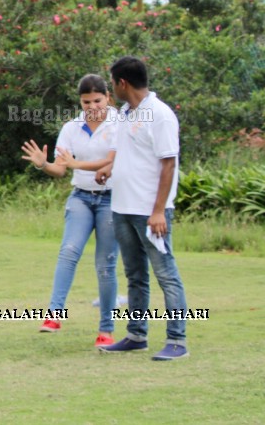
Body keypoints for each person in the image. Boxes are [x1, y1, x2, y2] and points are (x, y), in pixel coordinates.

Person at [97, 56, 189, 360]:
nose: (112, 88)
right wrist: (110, 168)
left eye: (112, 83)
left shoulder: (160, 115)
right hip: (122, 208)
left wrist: (159, 210)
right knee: (135, 274)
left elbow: (168, 163)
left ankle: (177, 340)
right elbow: (128, 152)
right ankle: (137, 335)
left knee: (166, 274)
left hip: (150, 213)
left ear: (122, 83)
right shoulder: (124, 113)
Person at [21, 74, 119, 347]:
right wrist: (43, 164)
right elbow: (60, 169)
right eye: (86, 102)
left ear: (107, 97)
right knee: (69, 250)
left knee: (106, 264)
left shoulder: (119, 124)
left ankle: (106, 330)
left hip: (112, 199)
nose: (92, 106)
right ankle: (54, 314)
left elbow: (109, 161)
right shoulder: (71, 128)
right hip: (81, 198)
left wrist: (75, 164)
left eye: (97, 100)